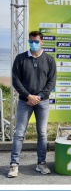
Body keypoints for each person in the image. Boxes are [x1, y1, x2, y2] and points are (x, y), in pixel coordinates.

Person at [9, 31, 57, 178]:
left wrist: (40, 96)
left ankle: (41, 164)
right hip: (25, 101)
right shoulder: (20, 58)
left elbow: (52, 82)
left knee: (42, 133)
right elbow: (15, 80)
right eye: (31, 41)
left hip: (43, 102)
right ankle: (14, 165)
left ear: (42, 42)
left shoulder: (49, 60)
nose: (33, 44)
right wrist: (28, 96)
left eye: (36, 41)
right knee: (19, 133)